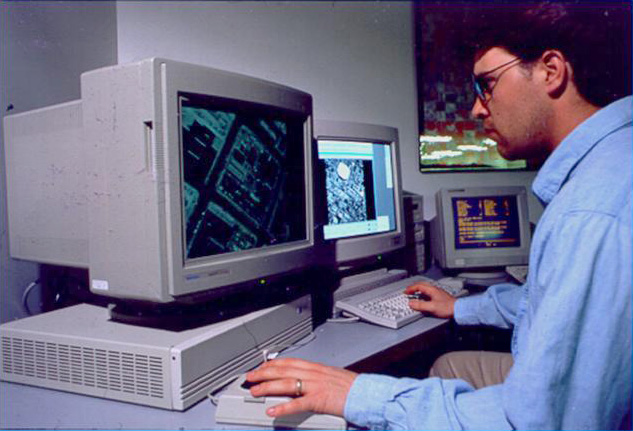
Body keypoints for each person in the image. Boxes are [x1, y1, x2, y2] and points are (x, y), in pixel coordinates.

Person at [246, 2, 632, 429]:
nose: (476, 110)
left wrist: (356, 393)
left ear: (551, 71)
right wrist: (462, 308)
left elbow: (544, 422)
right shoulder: (612, 166)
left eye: (487, 84)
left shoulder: (589, 214)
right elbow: (553, 307)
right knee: (449, 364)